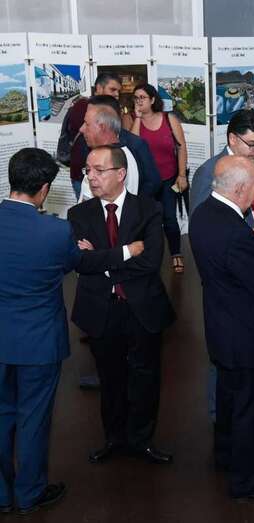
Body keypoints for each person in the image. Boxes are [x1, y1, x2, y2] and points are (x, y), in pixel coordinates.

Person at [189, 155, 254, 501]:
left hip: (219, 327)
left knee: (229, 400)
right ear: (239, 189)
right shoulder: (237, 235)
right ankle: (246, 481)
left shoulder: (203, 214)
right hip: (245, 335)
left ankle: (225, 457)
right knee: (250, 407)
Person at [68, 145, 175, 465]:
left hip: (142, 308)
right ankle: (113, 439)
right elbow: (80, 263)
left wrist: (100, 260)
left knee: (146, 377)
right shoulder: (79, 214)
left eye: (99, 170)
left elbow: (151, 262)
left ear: (120, 173)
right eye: (88, 170)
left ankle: (142, 440)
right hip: (101, 309)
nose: (91, 177)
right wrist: (127, 252)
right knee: (110, 378)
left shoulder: (149, 210)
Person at [191, 109, 254, 425]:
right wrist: (251, 236)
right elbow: (205, 234)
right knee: (229, 352)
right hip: (232, 286)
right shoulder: (209, 174)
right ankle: (221, 413)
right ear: (232, 138)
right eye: (252, 144)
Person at [0, 149, 81, 515]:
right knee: (34, 418)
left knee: (1, 416)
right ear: (45, 188)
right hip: (39, 341)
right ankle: (30, 492)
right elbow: (68, 264)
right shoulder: (57, 231)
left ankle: (2, 495)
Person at [130, 83, 189, 273]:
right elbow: (133, 146)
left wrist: (181, 175)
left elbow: (181, 148)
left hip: (168, 179)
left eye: (142, 97)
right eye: (136, 97)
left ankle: (176, 253)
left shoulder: (169, 119)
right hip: (145, 182)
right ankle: (150, 256)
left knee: (170, 219)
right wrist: (138, 118)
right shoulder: (133, 121)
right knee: (146, 221)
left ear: (153, 100)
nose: (138, 101)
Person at [78, 95, 161, 199]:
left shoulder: (131, 149)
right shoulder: (90, 146)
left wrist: (138, 208)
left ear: (102, 126)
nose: (81, 129)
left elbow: (152, 182)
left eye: (87, 123)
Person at [62, 72, 122, 200]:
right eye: (113, 89)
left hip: (99, 173)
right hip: (83, 175)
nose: (117, 94)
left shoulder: (106, 110)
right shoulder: (84, 107)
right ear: (99, 88)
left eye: (118, 91)